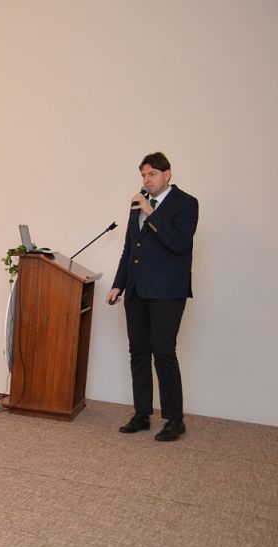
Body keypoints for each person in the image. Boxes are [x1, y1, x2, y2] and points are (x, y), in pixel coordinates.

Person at [106, 152, 198, 442]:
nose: (147, 180)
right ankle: (142, 414)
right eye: (144, 175)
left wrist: (150, 211)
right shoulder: (138, 206)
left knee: (164, 352)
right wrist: (118, 284)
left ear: (167, 174)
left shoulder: (186, 203)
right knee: (139, 353)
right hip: (136, 291)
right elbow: (129, 249)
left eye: (153, 174)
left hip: (168, 292)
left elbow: (180, 244)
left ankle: (174, 419)